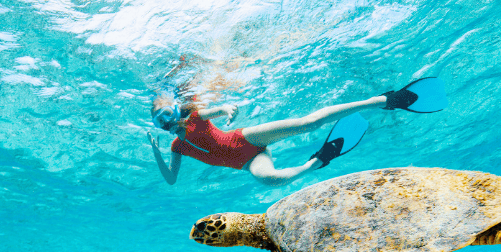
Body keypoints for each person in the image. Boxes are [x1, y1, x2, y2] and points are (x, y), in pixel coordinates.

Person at [147, 77, 446, 186]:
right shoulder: (175, 148)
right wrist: (156, 153)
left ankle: (383, 101)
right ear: (159, 126)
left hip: (248, 138)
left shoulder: (197, 117)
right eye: (161, 120)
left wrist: (227, 110)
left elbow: (221, 109)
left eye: (167, 113)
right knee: (269, 180)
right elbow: (171, 180)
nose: (167, 121)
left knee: (308, 123)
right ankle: (317, 161)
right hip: (248, 162)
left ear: (176, 109)